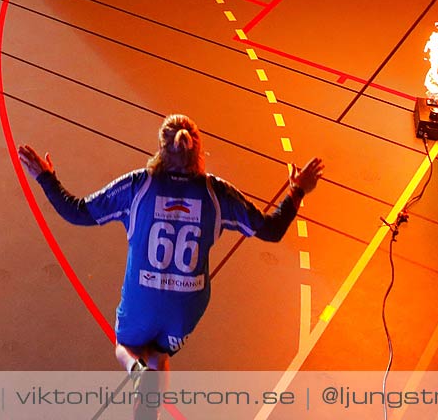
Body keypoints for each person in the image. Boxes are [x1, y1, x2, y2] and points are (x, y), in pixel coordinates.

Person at [19, 119, 323, 404]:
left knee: (125, 347)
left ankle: (135, 370)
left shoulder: (139, 185)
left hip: (143, 298)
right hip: (186, 306)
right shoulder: (216, 193)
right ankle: (152, 399)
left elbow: (77, 212)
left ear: (161, 150)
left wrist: (46, 178)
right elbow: (271, 230)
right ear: (199, 150)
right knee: (160, 356)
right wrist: (297, 190)